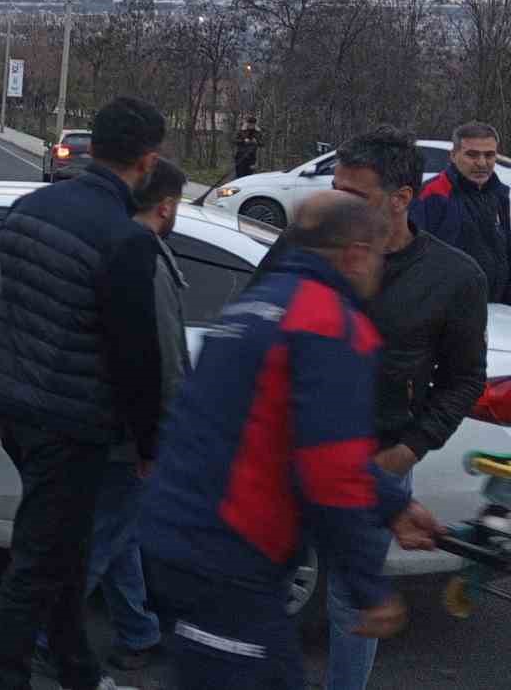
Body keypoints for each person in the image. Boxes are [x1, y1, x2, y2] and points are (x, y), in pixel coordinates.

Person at [142, 191, 441, 690]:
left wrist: (391, 503)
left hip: (183, 539)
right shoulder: (329, 323)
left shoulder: (256, 304)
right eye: (379, 255)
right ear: (355, 253)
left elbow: (293, 439)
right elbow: (329, 472)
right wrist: (369, 586)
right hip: (229, 553)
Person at [250, 127, 487, 690]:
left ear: (401, 198)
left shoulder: (454, 278)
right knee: (259, 592)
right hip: (289, 458)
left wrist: (407, 451)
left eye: (353, 196)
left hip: (379, 462)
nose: (334, 206)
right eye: (333, 190)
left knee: (353, 606)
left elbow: (463, 379)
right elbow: (258, 325)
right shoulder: (303, 248)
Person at [0, 96, 168, 690]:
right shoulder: (125, 238)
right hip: (69, 423)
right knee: (37, 562)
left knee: (67, 554)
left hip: (20, 414)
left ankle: (78, 671)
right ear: (147, 161)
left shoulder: (32, 207)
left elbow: (1, 311)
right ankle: (6, 679)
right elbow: (136, 355)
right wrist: (149, 442)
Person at [34, 157, 190, 675]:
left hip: (102, 421)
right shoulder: (145, 258)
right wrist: (156, 441)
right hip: (128, 433)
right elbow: (163, 359)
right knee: (101, 539)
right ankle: (47, 637)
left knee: (117, 533)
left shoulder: (111, 243)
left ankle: (138, 630)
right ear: (165, 207)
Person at [411, 122, 510, 303]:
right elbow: (413, 259)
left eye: (489, 155)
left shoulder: (500, 195)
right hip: (450, 310)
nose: (482, 163)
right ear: (453, 156)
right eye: (472, 155)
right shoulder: (431, 195)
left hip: (497, 310)